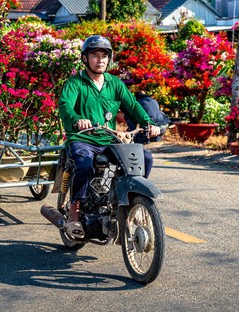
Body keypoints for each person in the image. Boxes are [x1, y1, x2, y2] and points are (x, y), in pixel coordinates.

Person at [58, 35, 161, 239]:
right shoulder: (75, 83)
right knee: (84, 163)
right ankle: (74, 209)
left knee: (145, 158)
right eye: (95, 55)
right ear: (85, 58)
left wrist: (149, 123)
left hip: (109, 139)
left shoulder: (115, 83)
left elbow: (132, 105)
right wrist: (78, 119)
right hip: (83, 139)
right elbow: (65, 106)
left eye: (104, 56)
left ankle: (132, 201)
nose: (100, 60)